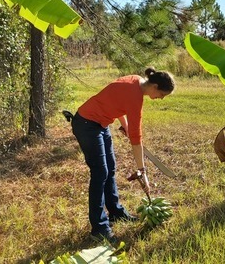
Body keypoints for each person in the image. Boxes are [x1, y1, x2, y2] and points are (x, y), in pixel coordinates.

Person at [69, 67, 175, 243]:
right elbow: (136, 138)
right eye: (162, 94)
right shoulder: (136, 98)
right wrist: (142, 171)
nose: (161, 98)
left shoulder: (135, 80)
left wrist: (124, 124)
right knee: (100, 173)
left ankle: (116, 213)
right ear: (155, 86)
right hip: (86, 125)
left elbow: (117, 102)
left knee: (110, 169)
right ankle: (99, 228)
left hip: (100, 124)